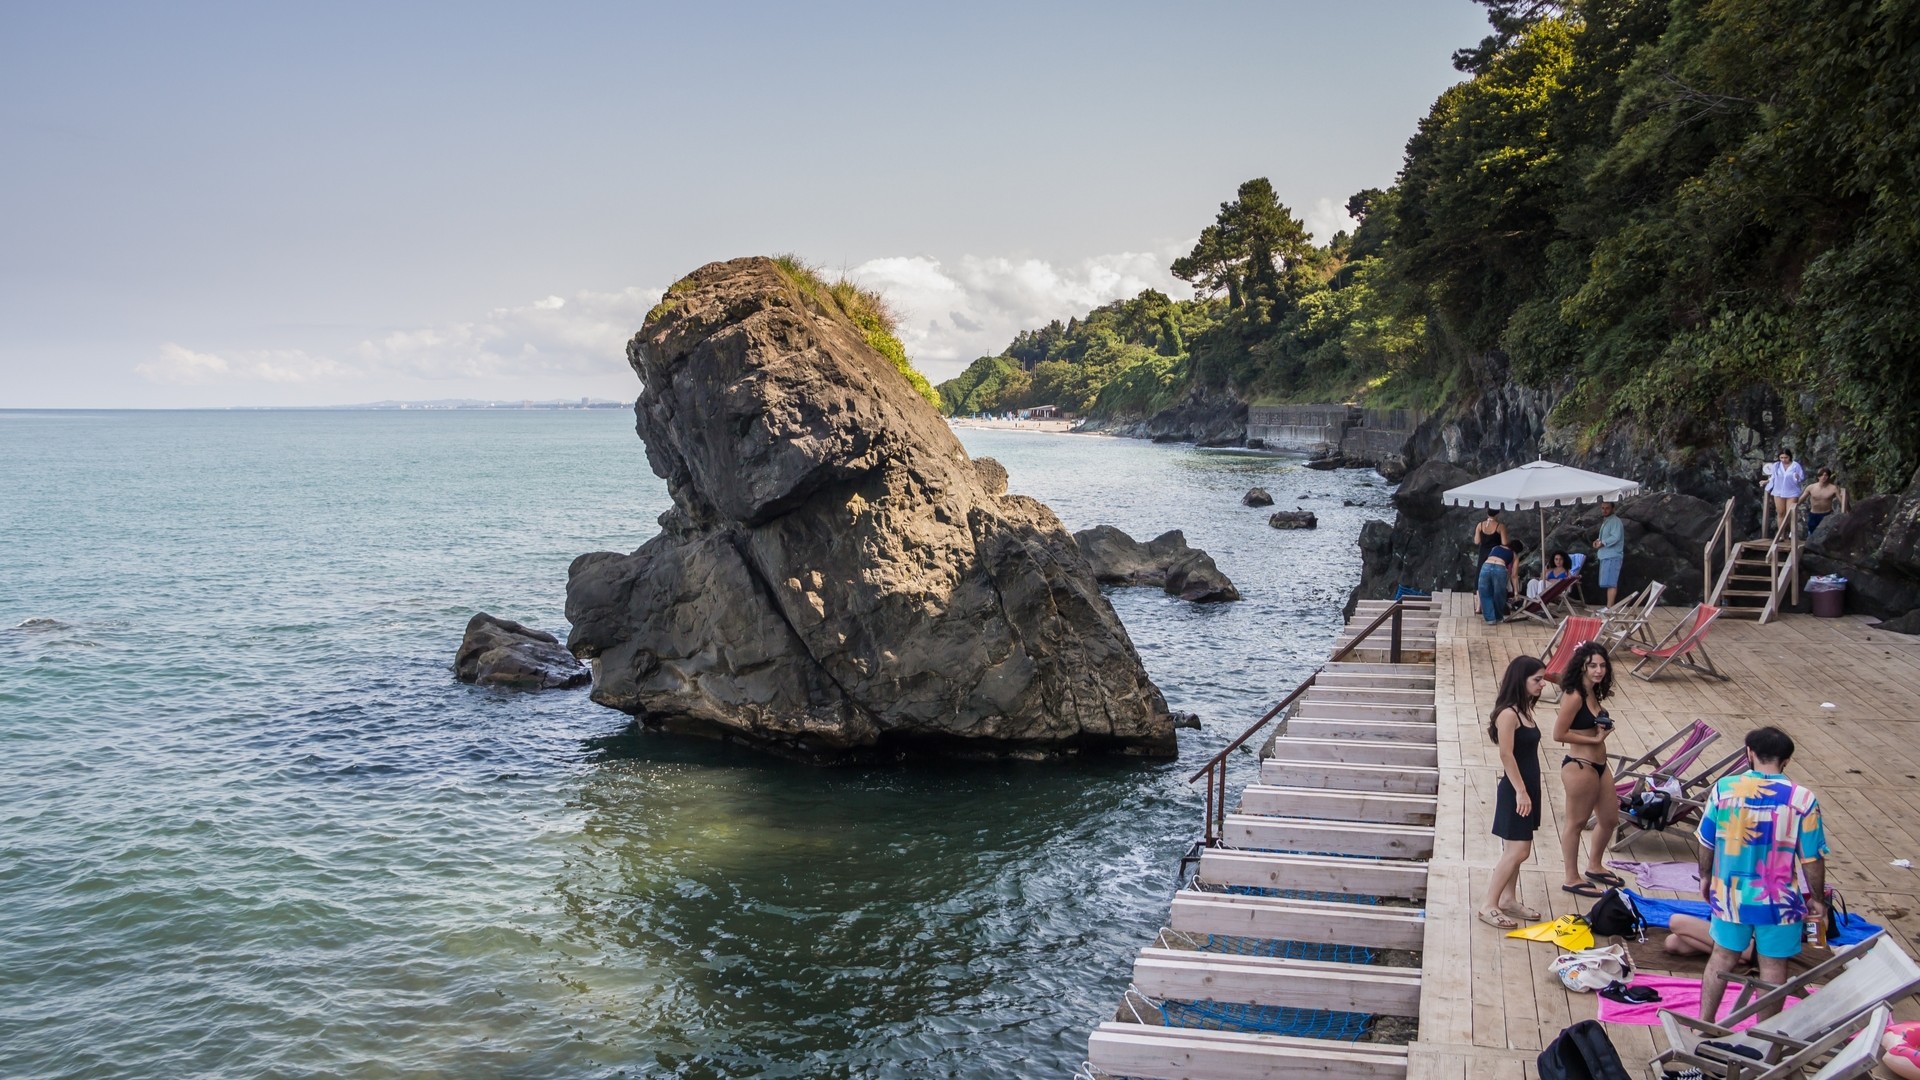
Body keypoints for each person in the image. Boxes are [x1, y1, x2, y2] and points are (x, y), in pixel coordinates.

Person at [1696, 725, 1829, 1022]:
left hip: (1731, 894)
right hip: (1779, 900)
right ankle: (1764, 1038)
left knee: (1722, 957)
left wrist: (1705, 876)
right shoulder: (1803, 799)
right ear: (1786, 760)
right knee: (1773, 965)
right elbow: (1811, 858)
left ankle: (1702, 1026)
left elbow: (1706, 840)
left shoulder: (1724, 789)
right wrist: (1818, 899)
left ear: (1750, 753)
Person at [1479, 656, 1549, 929]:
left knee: (1516, 848)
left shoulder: (1525, 710)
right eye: (1537, 679)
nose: (1543, 684)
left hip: (1528, 787)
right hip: (1515, 789)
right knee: (1518, 851)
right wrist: (1521, 791)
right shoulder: (1508, 714)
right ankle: (1489, 904)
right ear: (1521, 681)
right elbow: (1506, 755)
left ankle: (1508, 899)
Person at [1554, 643, 1622, 897]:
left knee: (1609, 819)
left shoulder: (1593, 693)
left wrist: (1600, 733)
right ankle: (1571, 877)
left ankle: (1595, 865)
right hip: (1580, 766)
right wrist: (1594, 740)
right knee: (1576, 823)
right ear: (1582, 666)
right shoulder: (1574, 696)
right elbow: (1558, 733)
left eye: (1603, 665)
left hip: (1600, 766)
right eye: (1593, 665)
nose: (1599, 670)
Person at [1478, 539, 1522, 623]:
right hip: (1500, 568)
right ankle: (1498, 617)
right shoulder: (1514, 555)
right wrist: (1516, 592)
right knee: (1499, 594)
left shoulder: (1496, 547)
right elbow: (1514, 575)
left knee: (1485, 593)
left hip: (1486, 566)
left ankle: (1490, 619)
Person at [1762, 449, 1806, 532]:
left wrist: (1797, 477)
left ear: (1789, 457)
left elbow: (1801, 478)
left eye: (1786, 457)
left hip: (1792, 491)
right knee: (1780, 512)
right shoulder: (1777, 465)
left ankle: (1791, 532)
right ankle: (1781, 534)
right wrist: (1766, 481)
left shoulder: (1795, 465)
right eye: (1781, 457)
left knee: (1790, 513)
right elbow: (1773, 477)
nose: (1783, 460)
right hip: (1778, 491)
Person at [1591, 501, 1625, 609]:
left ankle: (1609, 608)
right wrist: (1597, 541)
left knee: (1611, 583)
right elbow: (1605, 537)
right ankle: (1608, 606)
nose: (1604, 510)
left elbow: (1616, 537)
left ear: (1613, 509)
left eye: (1607, 508)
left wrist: (1602, 543)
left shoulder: (1615, 521)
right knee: (1608, 582)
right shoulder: (1607, 521)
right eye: (1602, 508)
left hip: (1612, 556)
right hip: (1606, 556)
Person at [1805, 468, 1842, 534]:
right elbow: (1800, 500)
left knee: (1825, 534)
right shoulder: (1811, 487)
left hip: (1826, 514)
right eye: (1821, 475)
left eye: (1826, 475)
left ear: (1828, 477)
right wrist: (1793, 505)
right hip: (1813, 514)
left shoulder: (1833, 488)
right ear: (1818, 476)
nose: (1823, 477)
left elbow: (1842, 501)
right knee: (1812, 532)